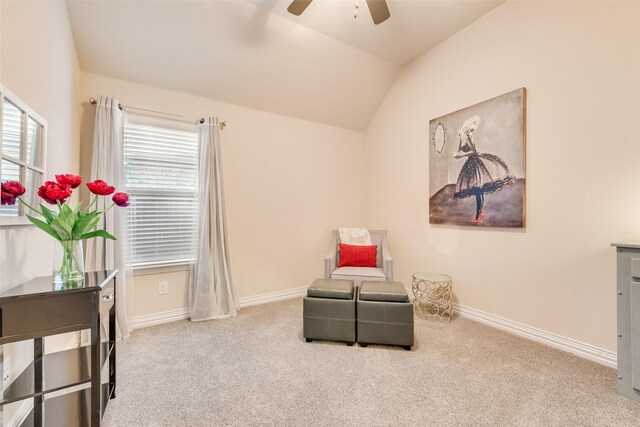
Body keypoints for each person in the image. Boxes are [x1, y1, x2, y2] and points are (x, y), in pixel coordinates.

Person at [453, 116, 515, 223]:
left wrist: (460, 157)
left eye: (471, 130)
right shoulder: (467, 138)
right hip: (471, 163)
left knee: (479, 190)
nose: (471, 131)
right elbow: (460, 149)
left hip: (474, 162)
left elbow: (474, 152)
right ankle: (479, 214)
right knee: (479, 190)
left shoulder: (469, 137)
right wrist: (459, 138)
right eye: (470, 129)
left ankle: (478, 215)